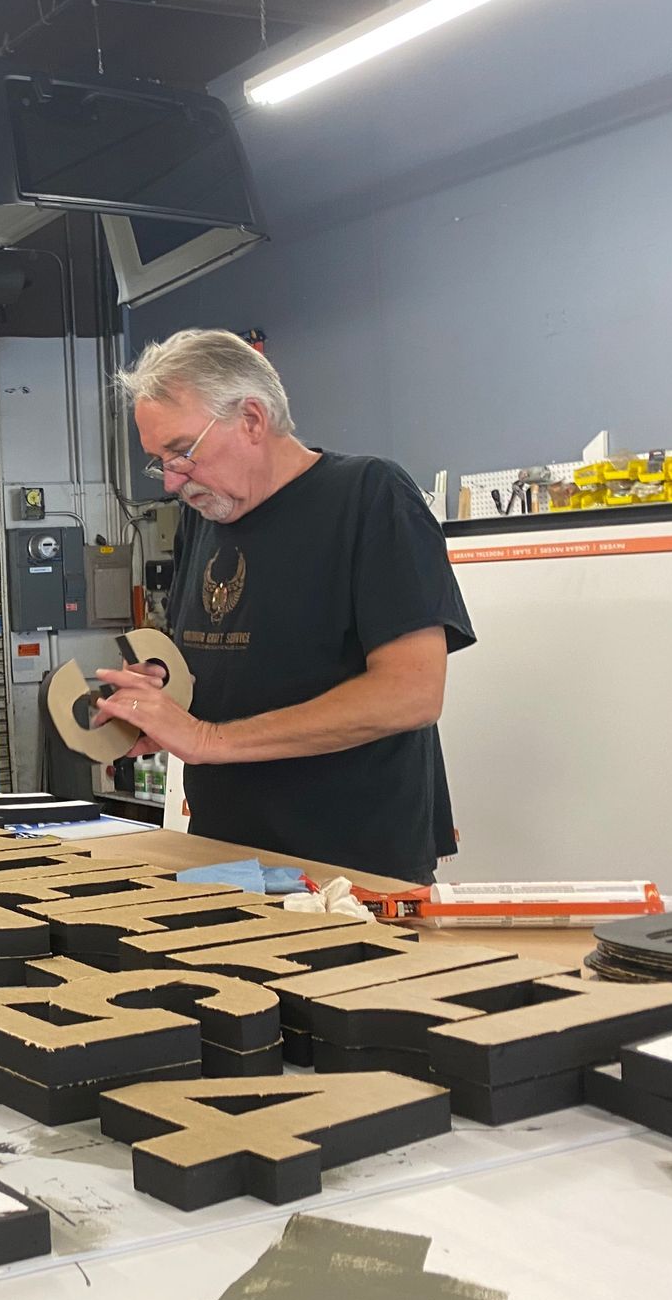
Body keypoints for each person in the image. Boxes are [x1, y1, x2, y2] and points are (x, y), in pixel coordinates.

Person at [94, 328, 474, 885]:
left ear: (251, 419)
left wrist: (206, 740)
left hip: (351, 869)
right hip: (223, 855)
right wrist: (163, 695)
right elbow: (232, 660)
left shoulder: (370, 497)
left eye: (182, 452)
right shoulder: (205, 518)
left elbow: (411, 693)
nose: (173, 481)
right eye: (160, 461)